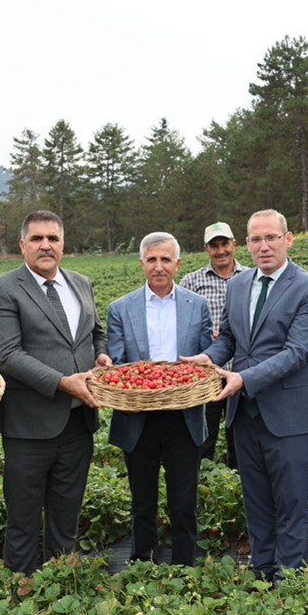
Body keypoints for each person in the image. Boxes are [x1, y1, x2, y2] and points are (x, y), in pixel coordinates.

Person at [186, 209, 308, 583]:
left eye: (271, 238)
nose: (264, 246)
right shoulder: (238, 284)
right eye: (256, 239)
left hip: (289, 414)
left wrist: (243, 379)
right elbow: (230, 339)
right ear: (245, 244)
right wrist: (208, 356)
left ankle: (290, 580)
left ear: (288, 239)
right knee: (257, 499)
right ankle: (263, 571)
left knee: (291, 501)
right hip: (245, 413)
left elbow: (298, 352)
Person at [0, 210, 112, 574]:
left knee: (66, 515)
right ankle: (20, 592)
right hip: (29, 426)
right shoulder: (3, 288)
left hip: (78, 421)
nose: (46, 245)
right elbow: (8, 354)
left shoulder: (80, 283)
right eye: (37, 238)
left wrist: (101, 354)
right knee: (23, 520)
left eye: (53, 238)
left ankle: (59, 588)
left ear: (62, 244)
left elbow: (95, 332)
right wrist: (61, 382)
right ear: (22, 245)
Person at [107, 232, 212, 565]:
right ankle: (142, 563)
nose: (159, 266)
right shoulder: (120, 308)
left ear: (177, 264)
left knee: (184, 501)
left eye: (166, 259)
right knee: (142, 501)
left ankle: (184, 565)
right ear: (142, 263)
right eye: (151, 259)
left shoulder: (198, 306)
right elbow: (119, 361)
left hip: (184, 415)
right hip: (139, 417)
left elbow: (208, 354)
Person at [180, 221, 244, 467]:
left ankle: (236, 484)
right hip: (206, 372)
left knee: (238, 434)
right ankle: (202, 483)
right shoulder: (191, 282)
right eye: (214, 246)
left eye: (225, 244)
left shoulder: (250, 278)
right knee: (203, 434)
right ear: (206, 248)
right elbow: (182, 323)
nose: (220, 251)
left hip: (240, 370)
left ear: (234, 245)